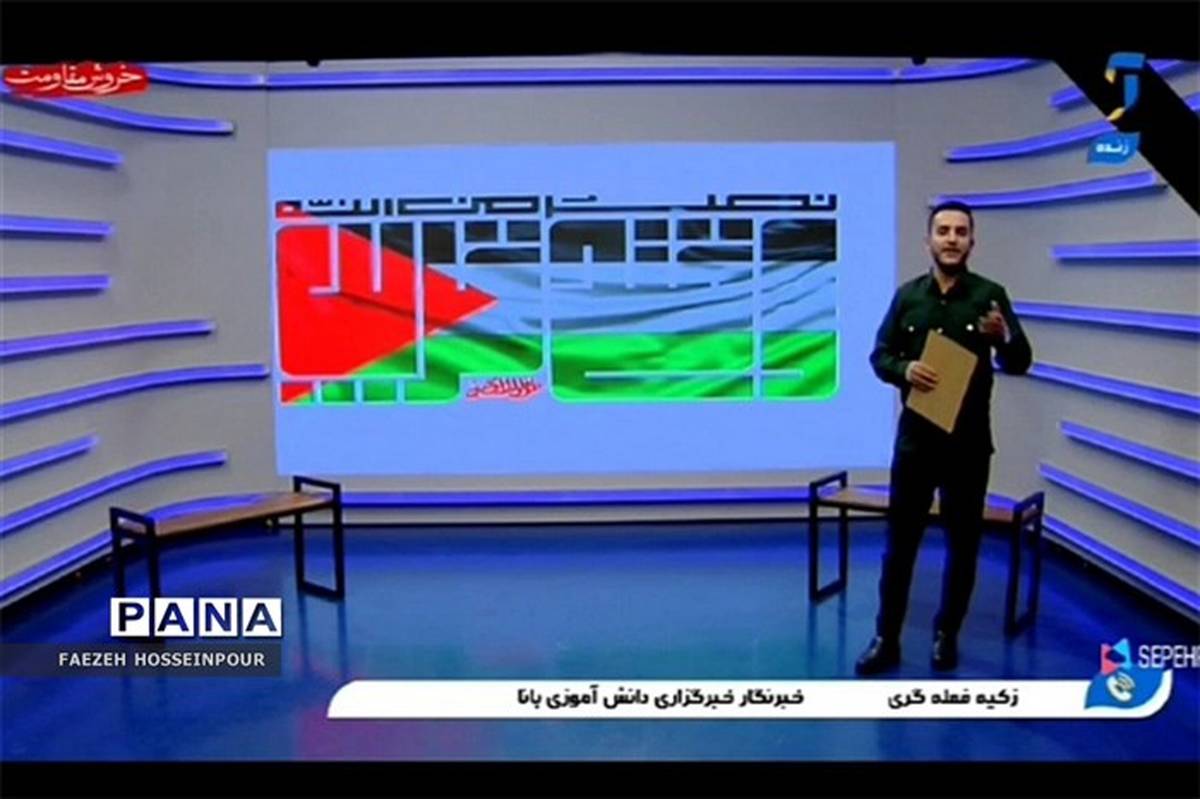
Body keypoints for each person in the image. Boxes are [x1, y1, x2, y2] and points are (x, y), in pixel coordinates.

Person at [855, 200, 1032, 675]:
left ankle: (945, 634)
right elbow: (879, 356)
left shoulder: (990, 296)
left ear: (972, 241)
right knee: (899, 547)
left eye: (960, 231)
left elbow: (1020, 362)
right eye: (943, 231)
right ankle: (886, 638)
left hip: (968, 447)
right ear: (928, 241)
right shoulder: (907, 297)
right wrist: (904, 369)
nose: (951, 239)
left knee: (963, 546)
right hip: (916, 444)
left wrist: (1004, 338)